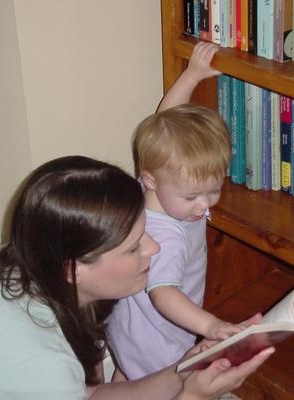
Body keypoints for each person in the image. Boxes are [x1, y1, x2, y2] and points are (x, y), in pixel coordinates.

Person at [0, 155, 274, 400]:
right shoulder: (37, 362)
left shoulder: (31, 257)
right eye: (133, 248)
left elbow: (91, 395)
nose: (154, 249)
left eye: (146, 233)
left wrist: (184, 372)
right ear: (73, 269)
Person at [107, 42, 243, 381]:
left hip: (130, 323)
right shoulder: (165, 237)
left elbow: (165, 121)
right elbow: (164, 294)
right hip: (160, 337)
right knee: (157, 383)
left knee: (127, 372)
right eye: (193, 196)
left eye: (214, 190)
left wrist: (192, 76)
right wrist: (210, 325)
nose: (205, 205)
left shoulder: (152, 185)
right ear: (151, 179)